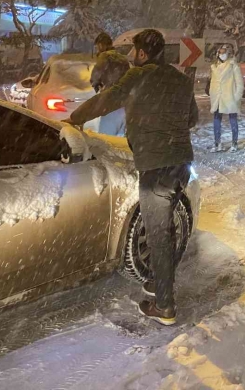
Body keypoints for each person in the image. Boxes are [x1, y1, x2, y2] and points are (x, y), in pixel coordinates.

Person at [67, 29, 198, 324]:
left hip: (156, 168)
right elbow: (192, 119)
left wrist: (74, 118)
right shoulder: (180, 79)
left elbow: (106, 100)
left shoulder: (138, 76)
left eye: (134, 52)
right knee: (164, 229)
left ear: (142, 53)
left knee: (158, 235)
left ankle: (164, 307)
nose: (131, 57)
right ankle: (158, 282)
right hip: (181, 165)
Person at [89, 33, 130, 136]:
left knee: (105, 138)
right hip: (124, 103)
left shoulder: (105, 56)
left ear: (101, 45)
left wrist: (96, 84)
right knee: (120, 138)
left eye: (97, 46)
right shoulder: (122, 58)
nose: (97, 49)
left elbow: (95, 76)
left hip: (110, 102)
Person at [209, 43, 244, 152]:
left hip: (230, 98)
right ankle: (217, 143)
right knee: (216, 120)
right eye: (220, 52)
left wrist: (236, 97)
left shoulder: (233, 65)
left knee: (233, 120)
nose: (222, 54)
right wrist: (213, 93)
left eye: (224, 52)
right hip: (218, 98)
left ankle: (234, 143)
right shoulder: (214, 67)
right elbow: (213, 83)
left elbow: (240, 83)